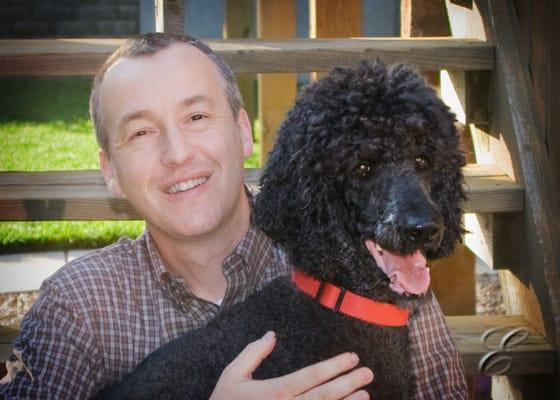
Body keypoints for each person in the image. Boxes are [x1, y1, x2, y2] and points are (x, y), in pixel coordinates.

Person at [0, 33, 467, 399]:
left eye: (197, 117)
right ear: (111, 173)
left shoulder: (378, 265)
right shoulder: (79, 306)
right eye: (141, 131)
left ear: (244, 132)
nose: (177, 153)